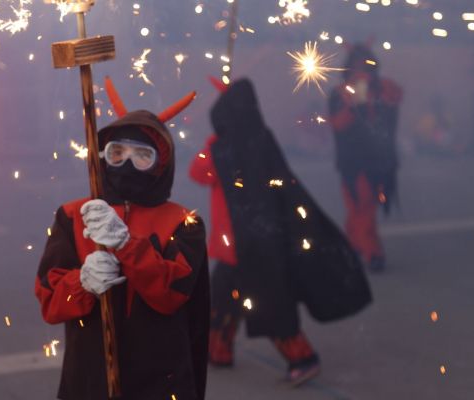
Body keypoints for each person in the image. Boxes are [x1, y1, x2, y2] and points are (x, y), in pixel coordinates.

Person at [35, 78, 209, 400]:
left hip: (161, 382)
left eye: (142, 155)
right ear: (103, 156)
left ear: (162, 163)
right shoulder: (73, 216)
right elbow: (50, 302)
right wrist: (81, 283)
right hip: (89, 380)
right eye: (117, 153)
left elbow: (170, 294)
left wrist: (127, 246)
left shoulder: (184, 222)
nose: (127, 164)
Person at [190, 77, 372, 386]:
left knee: (268, 305)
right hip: (239, 246)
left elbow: (198, 172)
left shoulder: (224, 150)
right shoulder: (262, 139)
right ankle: (217, 351)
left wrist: (212, 142)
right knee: (222, 299)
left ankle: (302, 357)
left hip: (251, 247)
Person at [328, 43, 403, 272]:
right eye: (357, 67)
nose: (362, 72)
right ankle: (373, 252)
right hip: (353, 162)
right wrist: (356, 102)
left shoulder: (384, 87)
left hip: (380, 160)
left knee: (362, 208)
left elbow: (396, 99)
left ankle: (351, 245)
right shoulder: (340, 93)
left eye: (366, 67)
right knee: (363, 207)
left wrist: (374, 94)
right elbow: (339, 125)